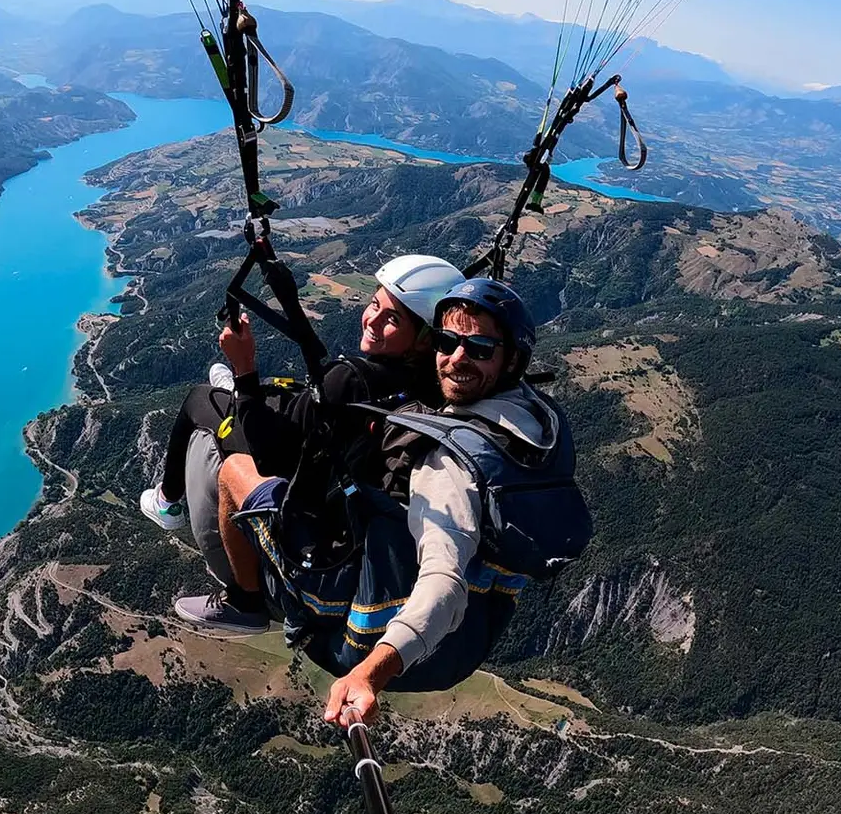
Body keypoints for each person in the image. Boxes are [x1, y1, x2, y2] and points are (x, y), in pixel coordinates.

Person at [193, 278, 581, 725]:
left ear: (512, 359)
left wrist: (370, 674)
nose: (456, 358)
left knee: (234, 470)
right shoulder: (544, 424)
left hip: (365, 640)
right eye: (447, 340)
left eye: (477, 348)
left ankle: (245, 604)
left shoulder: (448, 466)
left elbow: (444, 581)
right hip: (468, 643)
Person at [140, 254, 464, 623]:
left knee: (199, 400)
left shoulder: (351, 381)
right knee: (253, 396)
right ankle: (236, 399)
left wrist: (244, 368)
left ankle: (169, 506)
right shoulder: (437, 383)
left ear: (424, 339)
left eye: (392, 319)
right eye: (374, 304)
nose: (372, 320)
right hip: (335, 467)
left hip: (299, 485)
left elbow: (269, 456)